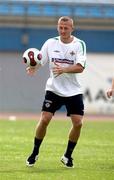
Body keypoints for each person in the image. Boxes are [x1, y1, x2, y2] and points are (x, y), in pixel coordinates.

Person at [26, 16, 86, 168]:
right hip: (54, 89)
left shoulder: (79, 44)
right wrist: (33, 67)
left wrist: (64, 69)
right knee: (45, 119)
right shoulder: (50, 43)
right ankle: (34, 152)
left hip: (73, 91)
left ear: (72, 28)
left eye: (66, 28)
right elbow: (41, 60)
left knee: (78, 123)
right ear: (57, 27)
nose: (63, 30)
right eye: (61, 27)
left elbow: (81, 67)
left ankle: (67, 156)